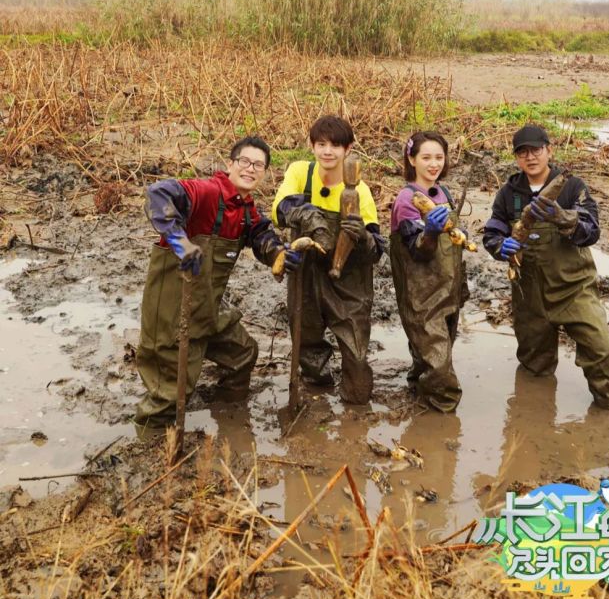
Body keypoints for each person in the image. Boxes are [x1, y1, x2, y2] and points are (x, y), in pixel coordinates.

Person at [135, 135, 300, 431]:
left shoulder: (246, 210)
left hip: (208, 308)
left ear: (264, 173)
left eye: (258, 166)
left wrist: (279, 253)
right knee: (170, 394)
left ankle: (229, 420)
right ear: (230, 164)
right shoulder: (207, 192)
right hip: (173, 312)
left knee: (243, 354)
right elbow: (157, 194)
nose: (250, 169)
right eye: (245, 162)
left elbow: (262, 235)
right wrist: (179, 242)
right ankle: (151, 446)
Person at [483, 123, 609, 409]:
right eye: (522, 153)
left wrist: (564, 218)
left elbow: (592, 231)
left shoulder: (571, 186)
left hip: (573, 289)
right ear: (517, 158)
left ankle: (604, 413)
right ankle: (532, 426)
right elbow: (492, 233)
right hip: (529, 295)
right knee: (534, 368)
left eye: (536, 150)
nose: (530, 157)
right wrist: (500, 247)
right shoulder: (509, 193)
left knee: (604, 352)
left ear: (549, 150)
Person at [272, 115, 384, 403]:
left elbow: (376, 251)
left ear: (348, 149)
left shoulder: (359, 191)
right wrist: (311, 219)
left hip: (349, 279)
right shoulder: (300, 173)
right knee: (306, 337)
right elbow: (279, 209)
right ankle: (317, 388)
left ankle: (354, 401)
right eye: (321, 144)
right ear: (311, 146)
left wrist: (361, 236)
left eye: (335, 145)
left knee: (356, 357)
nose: (328, 152)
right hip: (306, 272)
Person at [389, 131, 468, 412]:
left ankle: (418, 389)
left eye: (439, 157)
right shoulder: (406, 200)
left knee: (434, 353)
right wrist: (431, 233)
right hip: (421, 294)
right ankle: (442, 421)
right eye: (426, 158)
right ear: (412, 159)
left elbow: (453, 244)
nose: (433, 164)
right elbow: (417, 250)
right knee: (440, 367)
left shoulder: (443, 192)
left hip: (448, 289)